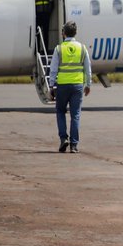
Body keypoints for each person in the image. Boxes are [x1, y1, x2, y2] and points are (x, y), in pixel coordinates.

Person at [47, 20, 92, 153]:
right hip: (77, 86)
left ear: (63, 33)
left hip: (62, 86)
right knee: (75, 115)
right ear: (75, 33)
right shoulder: (82, 48)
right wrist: (88, 84)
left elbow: (53, 69)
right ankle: (74, 145)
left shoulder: (59, 49)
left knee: (60, 111)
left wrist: (51, 86)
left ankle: (63, 139)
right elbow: (87, 69)